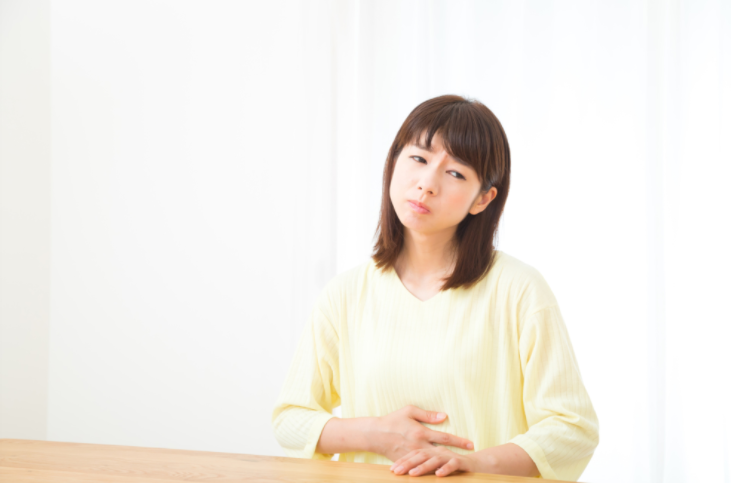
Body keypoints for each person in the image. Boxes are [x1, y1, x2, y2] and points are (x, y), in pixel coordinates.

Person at [271, 94, 599, 480]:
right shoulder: (345, 294)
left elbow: (572, 429)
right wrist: (375, 434)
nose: (426, 184)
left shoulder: (519, 290)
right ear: (393, 163)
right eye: (419, 158)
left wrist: (476, 464)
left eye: (455, 173)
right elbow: (291, 418)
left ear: (483, 199)